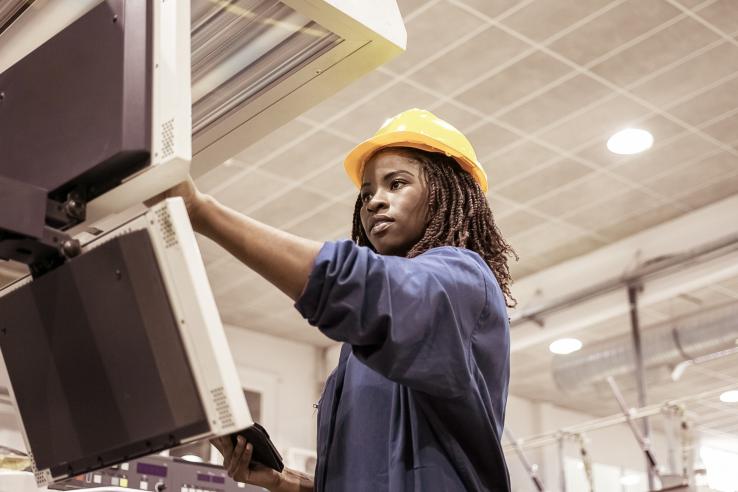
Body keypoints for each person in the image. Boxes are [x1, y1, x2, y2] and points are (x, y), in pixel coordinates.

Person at [155, 108, 516, 491]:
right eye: (366, 193)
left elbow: (355, 284)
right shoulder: (360, 349)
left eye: (396, 184)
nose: (375, 201)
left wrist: (201, 212)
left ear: (446, 193)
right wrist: (285, 482)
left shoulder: (461, 280)